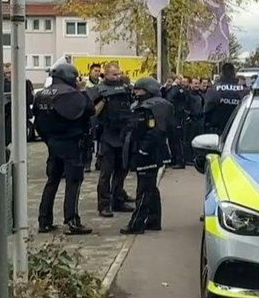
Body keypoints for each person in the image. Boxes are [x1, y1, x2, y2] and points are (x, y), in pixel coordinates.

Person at [33, 62, 93, 235]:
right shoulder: (72, 94)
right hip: (72, 143)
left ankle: (44, 220)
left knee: (52, 181)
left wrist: (49, 140)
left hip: (53, 143)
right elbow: (89, 110)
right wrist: (83, 90)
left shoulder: (42, 94)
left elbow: (38, 122)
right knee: (73, 182)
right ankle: (72, 221)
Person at [121, 77, 172, 234]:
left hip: (150, 153)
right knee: (150, 188)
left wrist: (144, 150)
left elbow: (156, 131)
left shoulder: (157, 107)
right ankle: (153, 220)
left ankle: (137, 223)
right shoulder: (138, 106)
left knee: (144, 189)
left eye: (140, 90)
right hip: (139, 150)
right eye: (135, 89)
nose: (136, 93)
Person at [92, 64, 135, 218]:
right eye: (114, 75)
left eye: (119, 74)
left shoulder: (126, 88)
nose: (117, 77)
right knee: (106, 172)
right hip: (107, 135)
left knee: (122, 169)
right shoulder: (100, 90)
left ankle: (118, 200)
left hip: (123, 134)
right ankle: (104, 205)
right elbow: (93, 112)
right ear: (106, 75)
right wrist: (104, 100)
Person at [204, 62, 247, 135]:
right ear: (234, 74)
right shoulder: (243, 91)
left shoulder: (214, 89)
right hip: (238, 130)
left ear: (221, 74)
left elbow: (207, 109)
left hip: (217, 129)